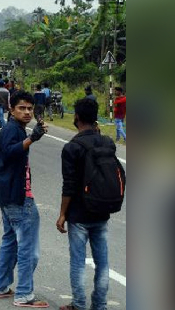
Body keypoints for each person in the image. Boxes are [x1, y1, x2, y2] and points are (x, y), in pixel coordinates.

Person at [0, 91, 49, 307]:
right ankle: (24, 294)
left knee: (10, 243)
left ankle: (1, 286)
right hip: (18, 197)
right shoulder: (10, 130)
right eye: (21, 108)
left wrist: (33, 137)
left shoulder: (17, 129)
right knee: (28, 249)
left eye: (29, 108)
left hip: (9, 197)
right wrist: (32, 138)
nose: (27, 112)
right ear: (11, 110)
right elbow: (9, 152)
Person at [56, 98, 113, 310]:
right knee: (103, 263)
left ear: (76, 117)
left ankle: (79, 304)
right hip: (102, 211)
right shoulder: (107, 142)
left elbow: (68, 185)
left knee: (78, 262)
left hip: (79, 215)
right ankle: (100, 305)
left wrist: (62, 214)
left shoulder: (72, 147)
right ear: (96, 117)